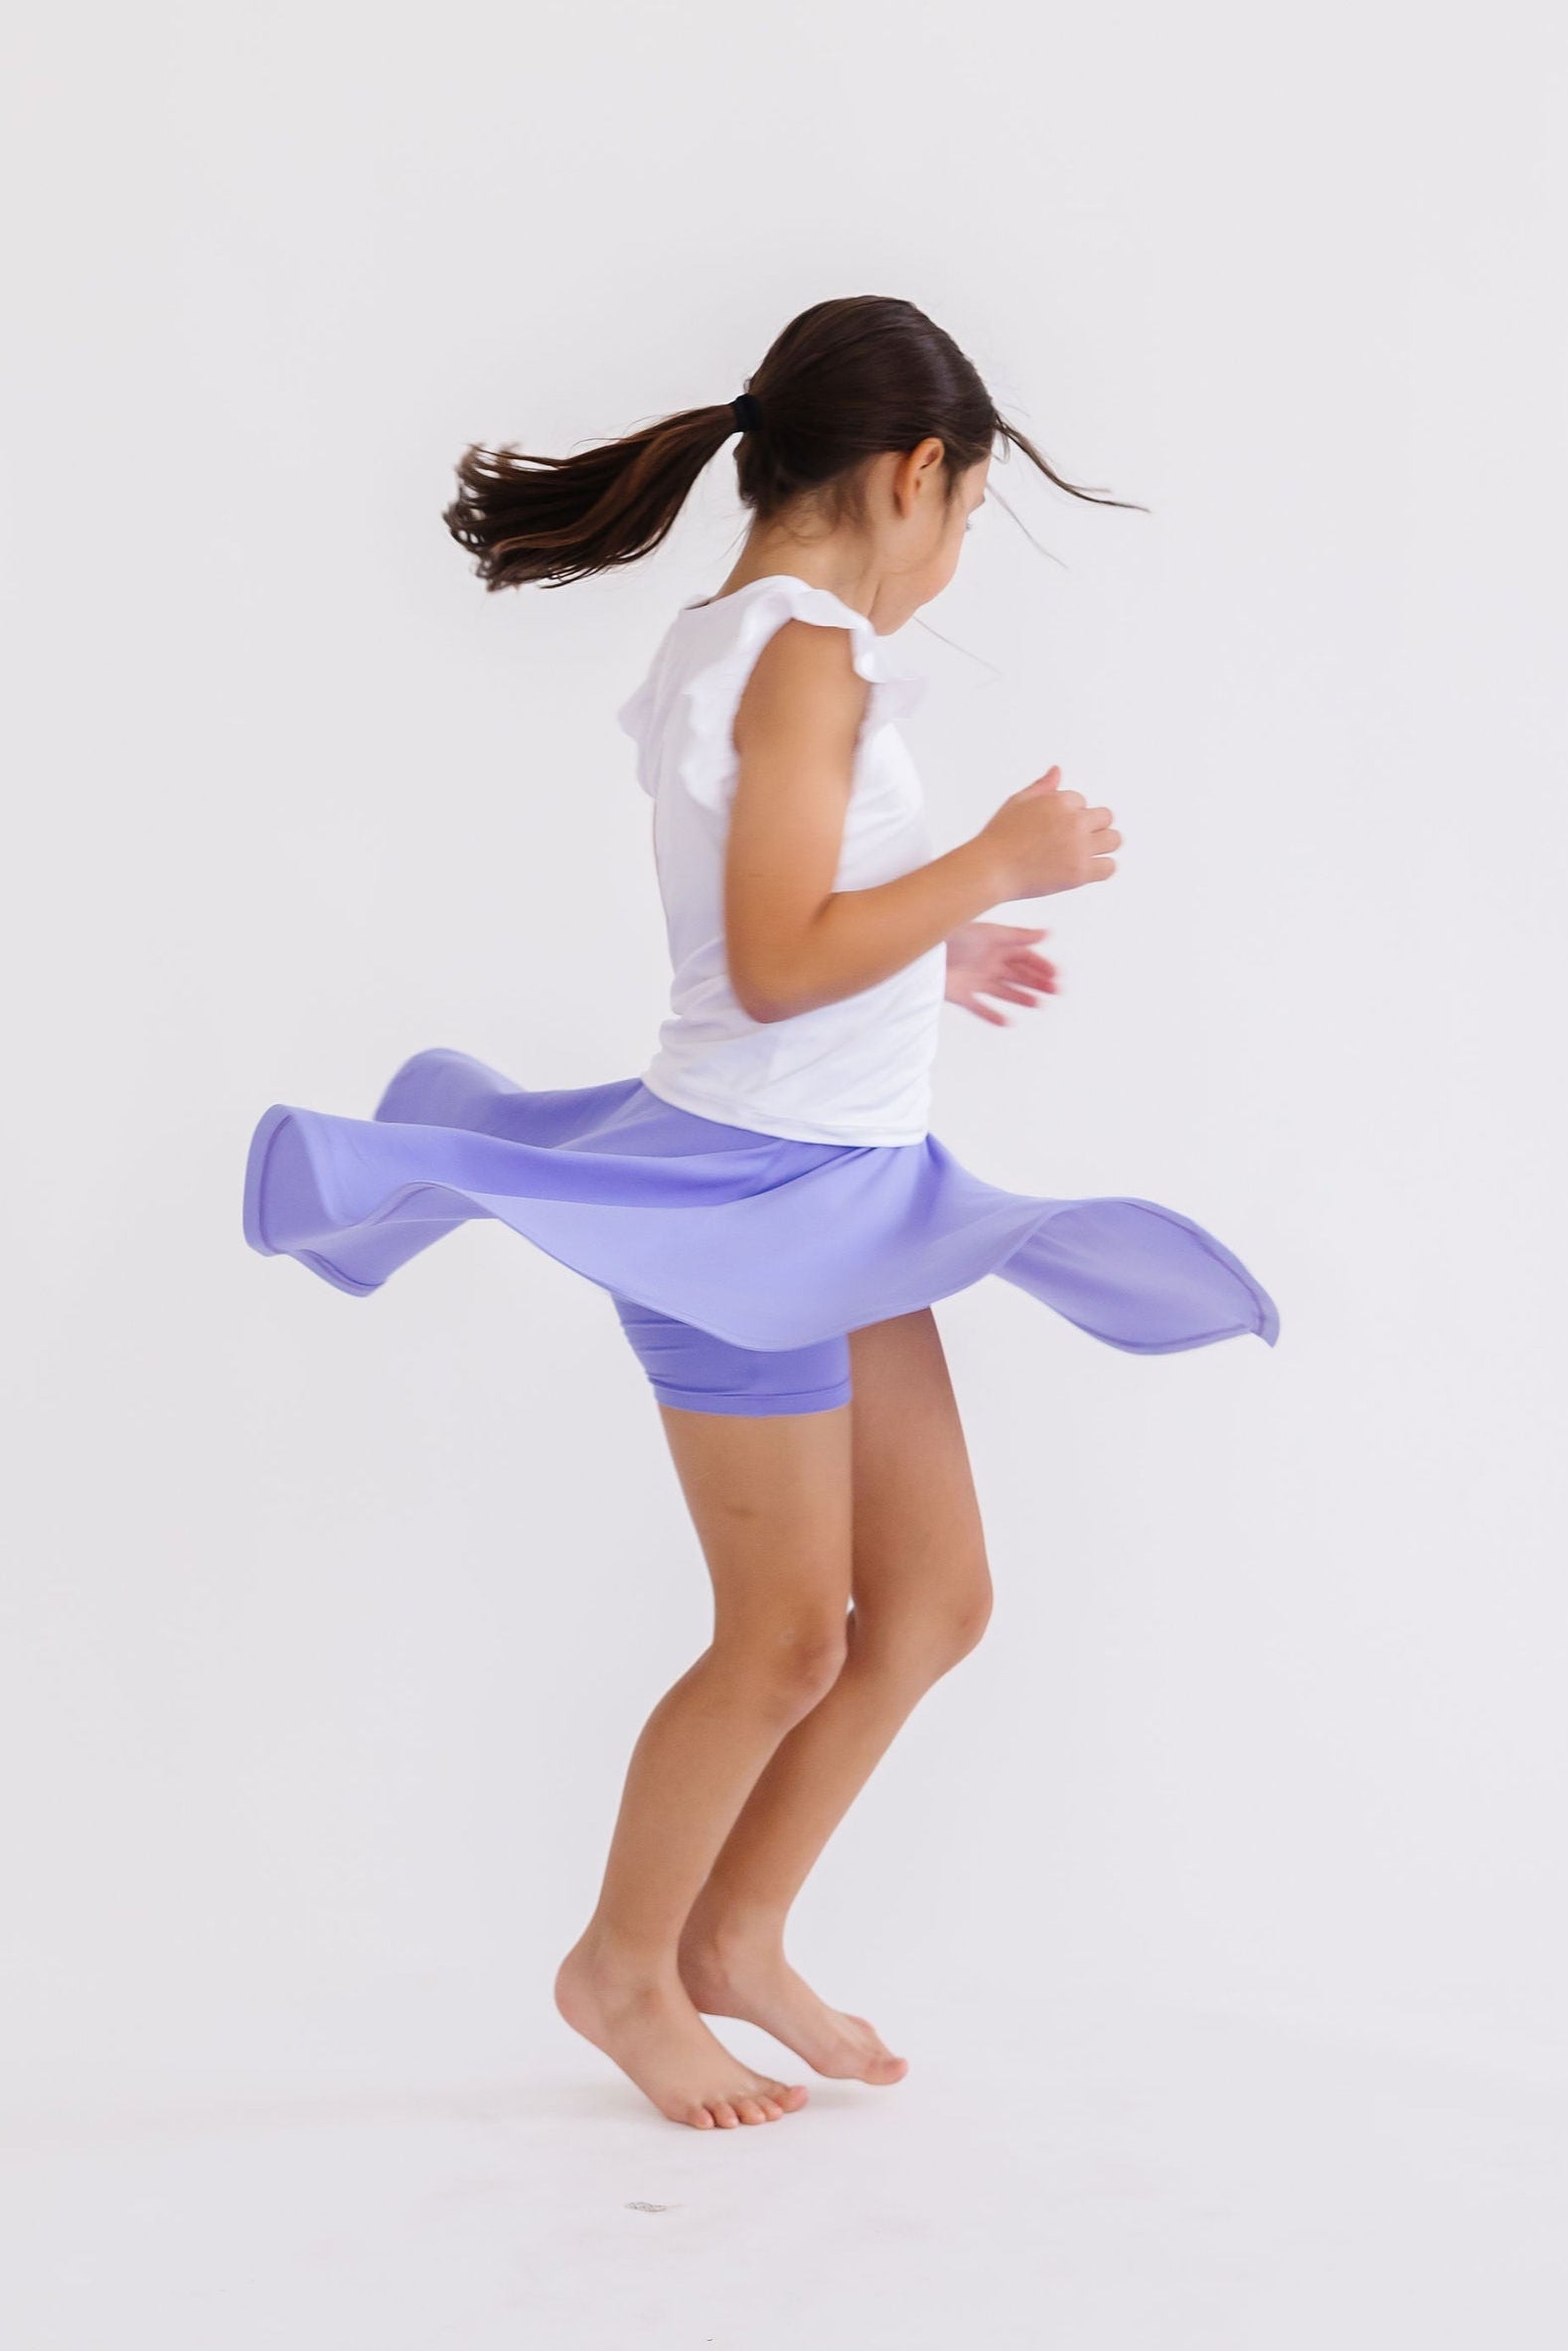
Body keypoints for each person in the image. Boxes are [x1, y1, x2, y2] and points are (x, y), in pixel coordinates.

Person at [242, 294, 1279, 2132]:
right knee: (785, 1631)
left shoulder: (750, 642)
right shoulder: (801, 653)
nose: (955, 555)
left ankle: (735, 1935)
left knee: (932, 1600)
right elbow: (780, 958)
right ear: (911, 474)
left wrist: (933, 951)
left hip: (849, 1186)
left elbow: (778, 926)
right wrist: (990, 862)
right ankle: (622, 1967)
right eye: (970, 515)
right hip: (743, 1204)